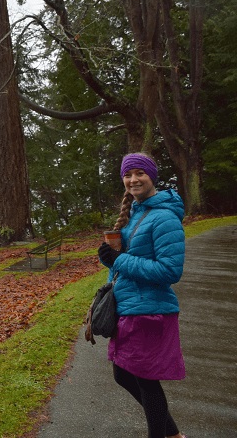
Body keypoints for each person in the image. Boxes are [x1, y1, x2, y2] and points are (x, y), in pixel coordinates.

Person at [97, 152, 187, 438]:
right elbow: (130, 257)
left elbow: (170, 271)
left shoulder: (164, 218)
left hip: (150, 311)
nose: (133, 179)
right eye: (128, 174)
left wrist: (118, 260)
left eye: (139, 173)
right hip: (130, 306)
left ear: (152, 176)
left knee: (146, 381)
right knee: (123, 374)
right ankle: (172, 435)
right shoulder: (137, 212)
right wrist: (111, 258)